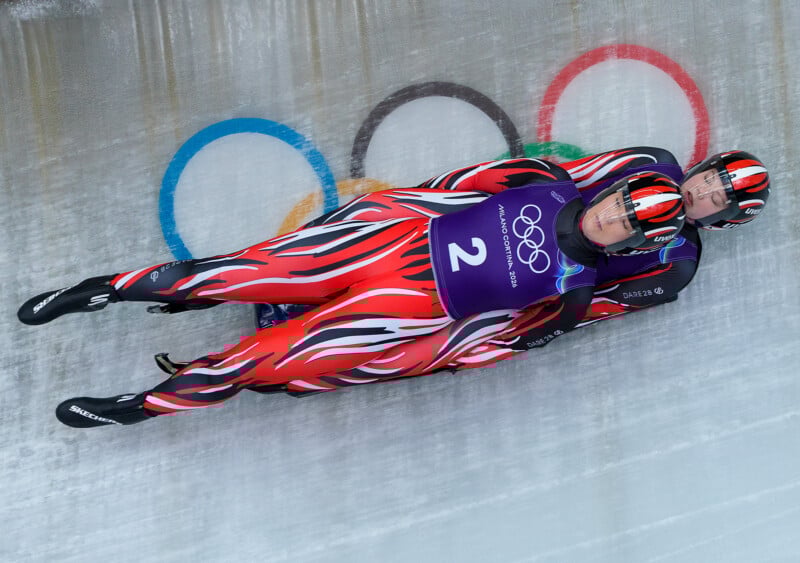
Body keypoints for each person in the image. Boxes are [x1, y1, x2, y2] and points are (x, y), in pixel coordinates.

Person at [17, 160, 684, 428]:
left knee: (260, 360)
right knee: (231, 271)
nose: (612, 217)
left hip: (408, 309)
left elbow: (512, 339)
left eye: (626, 224)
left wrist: (433, 354)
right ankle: (99, 290)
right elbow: (463, 184)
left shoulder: (576, 287)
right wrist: (383, 210)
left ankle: (135, 408)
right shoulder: (552, 188)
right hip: (388, 245)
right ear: (612, 191)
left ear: (627, 242)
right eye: (621, 203)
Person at [248, 147, 770, 379]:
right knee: (391, 226)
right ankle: (296, 275)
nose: (702, 189)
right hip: (512, 227)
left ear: (722, 217)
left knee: (435, 347)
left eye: (715, 196)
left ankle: (304, 358)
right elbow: (567, 177)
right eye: (710, 177)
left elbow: (597, 309)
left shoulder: (677, 264)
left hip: (533, 286)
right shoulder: (649, 163)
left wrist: (525, 328)